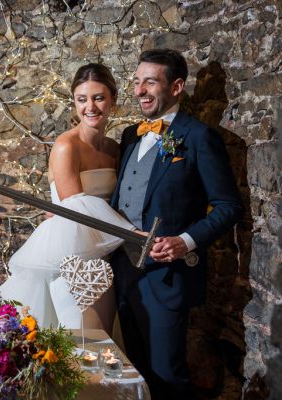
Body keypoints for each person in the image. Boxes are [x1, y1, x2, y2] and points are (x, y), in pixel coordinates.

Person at [110, 49, 243, 400]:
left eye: (150, 82)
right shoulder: (129, 136)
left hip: (166, 278)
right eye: (137, 82)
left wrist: (186, 240)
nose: (139, 91)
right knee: (132, 372)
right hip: (123, 273)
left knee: (167, 376)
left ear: (177, 86)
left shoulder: (199, 137)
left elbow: (229, 206)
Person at [0, 64, 136, 333]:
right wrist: (133, 233)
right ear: (74, 102)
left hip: (104, 254)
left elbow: (119, 200)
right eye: (82, 99)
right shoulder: (66, 146)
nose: (90, 107)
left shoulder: (113, 149)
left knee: (105, 337)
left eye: (98, 97)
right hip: (71, 256)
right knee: (82, 334)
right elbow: (76, 207)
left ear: (113, 100)